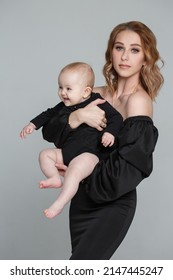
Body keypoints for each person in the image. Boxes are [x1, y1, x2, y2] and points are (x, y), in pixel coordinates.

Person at [55, 21, 164, 259]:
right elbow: (55, 133)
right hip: (82, 200)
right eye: (119, 48)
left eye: (134, 50)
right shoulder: (95, 95)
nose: (125, 56)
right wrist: (76, 116)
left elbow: (129, 168)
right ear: (110, 53)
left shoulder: (139, 102)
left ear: (145, 58)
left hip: (112, 201)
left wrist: (81, 172)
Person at [20, 62, 123, 219]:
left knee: (73, 174)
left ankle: (59, 203)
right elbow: (48, 114)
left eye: (68, 88)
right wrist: (32, 124)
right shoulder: (63, 106)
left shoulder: (98, 101)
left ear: (86, 91)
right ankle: (54, 178)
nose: (63, 93)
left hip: (88, 154)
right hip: (67, 152)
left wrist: (110, 133)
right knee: (44, 154)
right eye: (60, 87)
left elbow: (116, 118)